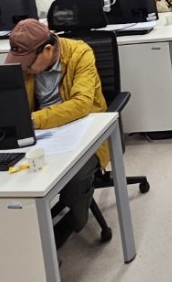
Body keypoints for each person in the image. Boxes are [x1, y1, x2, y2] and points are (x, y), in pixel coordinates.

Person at [6, 19, 110, 247]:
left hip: (84, 130)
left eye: (28, 64)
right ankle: (24, 235)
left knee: (77, 175)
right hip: (40, 133)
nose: (24, 69)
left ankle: (73, 222)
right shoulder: (24, 60)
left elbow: (82, 104)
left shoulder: (80, 54)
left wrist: (33, 120)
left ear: (48, 50)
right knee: (8, 171)